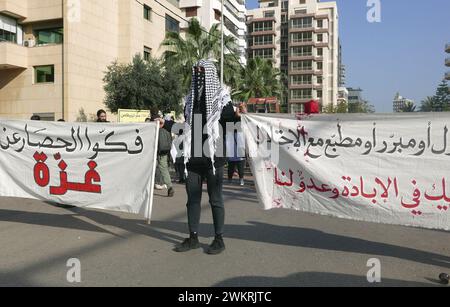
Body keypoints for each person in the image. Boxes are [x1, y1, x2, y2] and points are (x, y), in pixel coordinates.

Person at [174, 60, 244, 255]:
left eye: (201, 70)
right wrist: (165, 124)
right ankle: (193, 237)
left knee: (215, 199)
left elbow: (230, 118)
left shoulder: (221, 97)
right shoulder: (190, 99)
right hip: (193, 158)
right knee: (192, 199)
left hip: (214, 158)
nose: (197, 73)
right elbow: (186, 125)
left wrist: (238, 115)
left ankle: (219, 238)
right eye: (195, 69)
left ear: (210, 73)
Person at [153, 115, 175, 197]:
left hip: (156, 150)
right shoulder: (166, 127)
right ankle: (170, 186)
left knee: (151, 168)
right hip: (165, 150)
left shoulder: (154, 126)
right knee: (164, 169)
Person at [227, 103, 246, 186]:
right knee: (231, 162)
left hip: (239, 139)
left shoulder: (242, 117)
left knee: (240, 162)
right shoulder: (231, 116)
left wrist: (241, 106)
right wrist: (238, 107)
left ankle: (241, 179)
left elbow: (244, 113)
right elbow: (238, 114)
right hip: (232, 138)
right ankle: (230, 179)